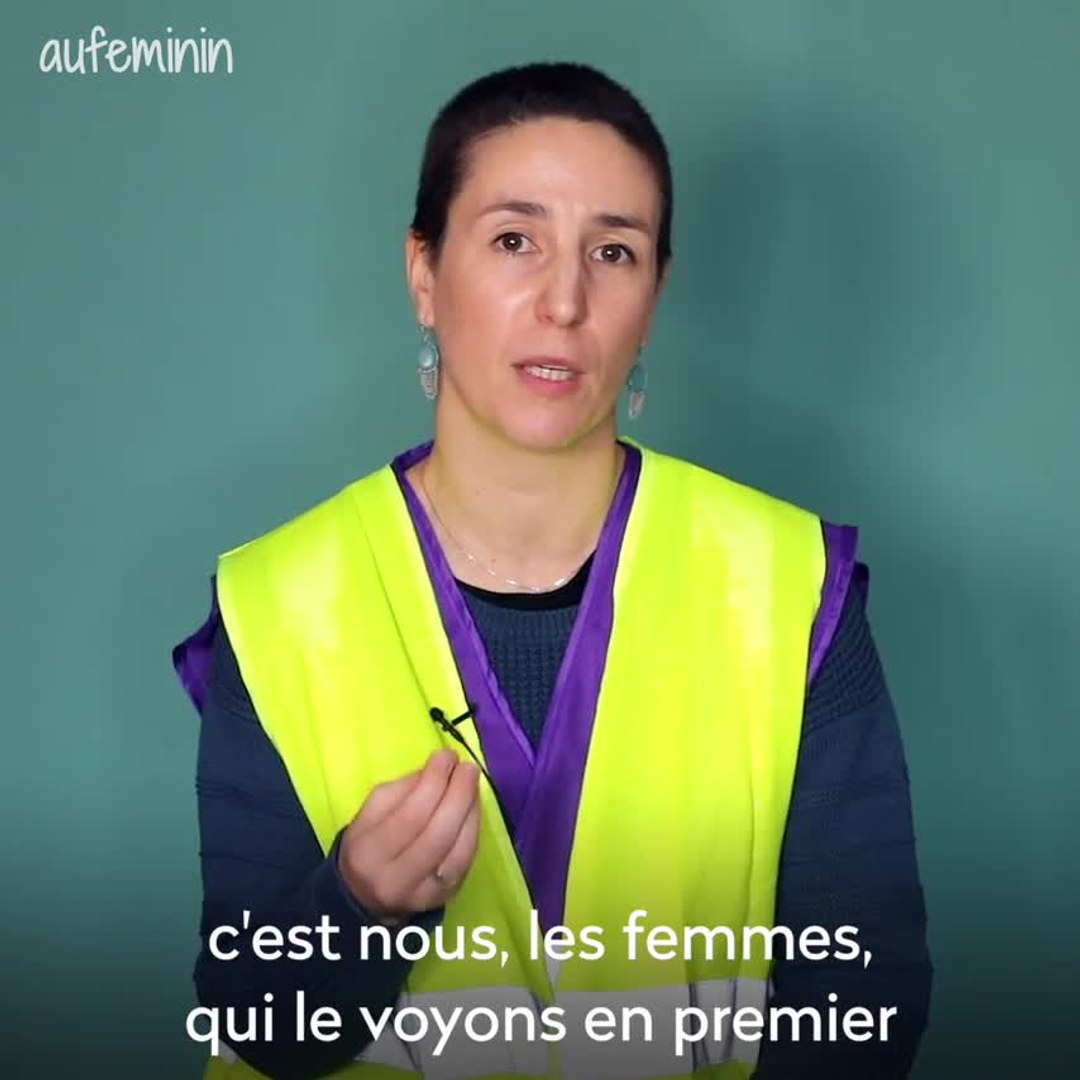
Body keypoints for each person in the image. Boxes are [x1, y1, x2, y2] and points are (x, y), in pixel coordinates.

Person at [174, 62, 932, 1080]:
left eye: (613, 252)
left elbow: (863, 1010)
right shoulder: (280, 604)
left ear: (654, 299)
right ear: (423, 273)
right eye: (514, 241)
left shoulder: (789, 588)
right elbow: (258, 1024)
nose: (565, 301)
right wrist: (356, 905)